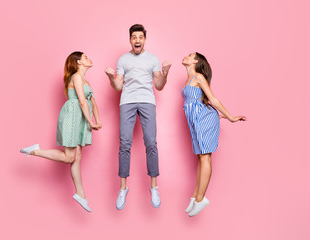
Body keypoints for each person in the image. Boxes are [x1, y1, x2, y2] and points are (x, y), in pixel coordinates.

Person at [20, 51, 102, 213]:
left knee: (76, 157)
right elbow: (82, 102)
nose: (88, 58)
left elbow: (92, 102)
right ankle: (34, 150)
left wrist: (97, 120)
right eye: (85, 57)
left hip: (82, 118)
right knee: (70, 156)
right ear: (78, 62)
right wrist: (91, 122)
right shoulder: (77, 77)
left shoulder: (87, 81)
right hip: (73, 115)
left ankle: (81, 194)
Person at [105, 24, 171, 210]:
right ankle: (123, 188)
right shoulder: (123, 60)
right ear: (130, 39)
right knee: (124, 143)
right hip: (127, 102)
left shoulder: (152, 59)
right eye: (134, 37)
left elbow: (158, 85)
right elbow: (118, 86)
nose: (137, 40)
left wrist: (166, 73)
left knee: (151, 142)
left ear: (144, 40)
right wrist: (111, 77)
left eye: (140, 37)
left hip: (147, 101)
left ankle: (154, 187)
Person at [181, 52, 246, 217]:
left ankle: (201, 199)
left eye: (189, 56)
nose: (186, 57)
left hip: (203, 120)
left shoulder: (198, 77)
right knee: (200, 159)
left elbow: (213, 99)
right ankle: (195, 196)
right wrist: (215, 114)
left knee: (205, 158)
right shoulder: (189, 80)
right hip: (197, 121)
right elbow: (202, 101)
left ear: (196, 61)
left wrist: (231, 117)